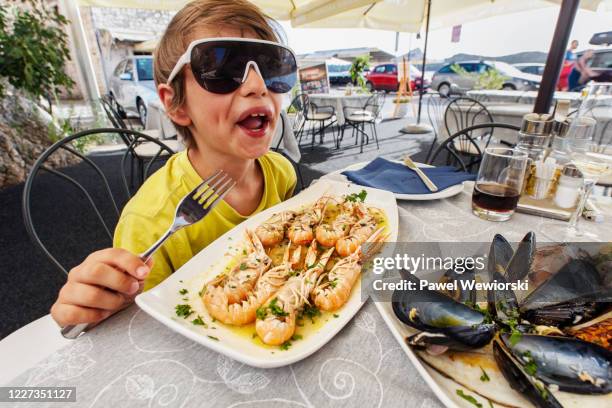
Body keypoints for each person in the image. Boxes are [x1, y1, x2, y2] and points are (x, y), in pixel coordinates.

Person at [51, 0, 298, 328]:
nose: (257, 86)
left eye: (271, 69)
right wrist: (101, 304)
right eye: (223, 71)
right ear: (176, 105)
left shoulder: (281, 173)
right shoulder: (151, 222)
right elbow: (142, 327)